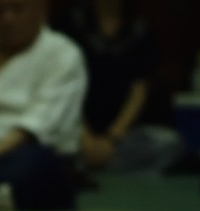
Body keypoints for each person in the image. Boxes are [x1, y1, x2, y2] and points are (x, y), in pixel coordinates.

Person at [0, 0, 86, 210]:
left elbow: (37, 125)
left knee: (36, 165)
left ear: (40, 10)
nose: (7, 18)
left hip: (19, 152)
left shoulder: (63, 53)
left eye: (17, 9)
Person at [52, 0, 184, 174]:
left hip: (123, 136)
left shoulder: (139, 29)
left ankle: (98, 163)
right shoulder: (69, 23)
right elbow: (62, 86)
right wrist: (85, 136)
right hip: (75, 129)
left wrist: (111, 139)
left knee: (170, 144)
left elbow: (139, 89)